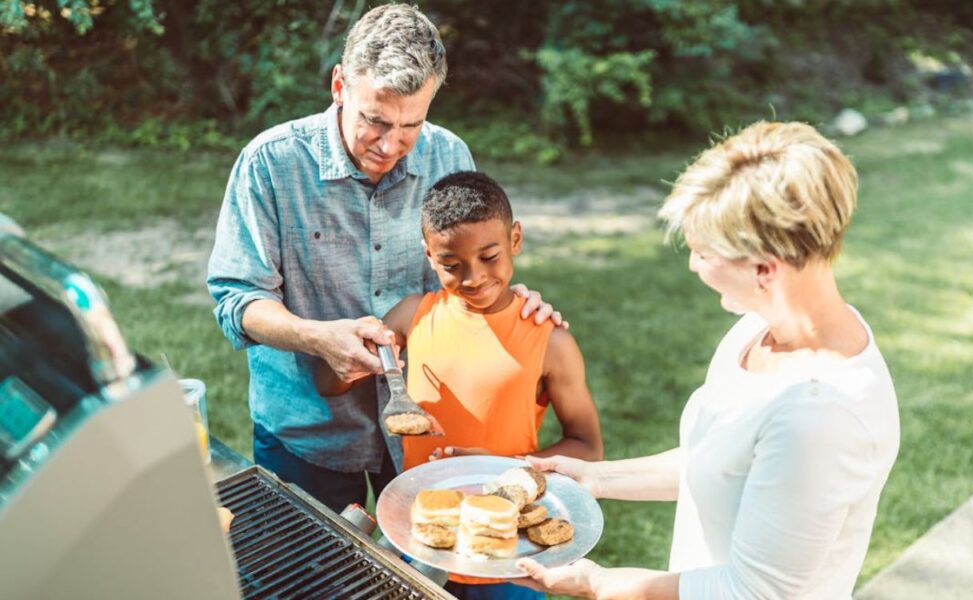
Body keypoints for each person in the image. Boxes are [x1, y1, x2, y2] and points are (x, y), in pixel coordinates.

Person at [515, 121, 900, 599]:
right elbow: (720, 464)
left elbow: (753, 593)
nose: (693, 265)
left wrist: (597, 582)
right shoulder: (758, 330)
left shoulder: (821, 417)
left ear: (765, 269)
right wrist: (596, 477)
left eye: (703, 251)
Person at [207, 4, 560, 514]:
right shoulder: (270, 163)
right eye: (375, 120)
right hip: (308, 432)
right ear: (339, 86)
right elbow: (238, 297)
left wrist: (509, 304)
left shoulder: (449, 157)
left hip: (428, 427)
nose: (391, 144)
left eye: (411, 124)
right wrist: (316, 337)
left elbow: (465, 274)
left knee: (431, 583)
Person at [317, 171, 603, 600]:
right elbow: (329, 384)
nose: (472, 277)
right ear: (428, 256)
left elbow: (587, 445)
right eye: (451, 265)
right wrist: (351, 352)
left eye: (490, 256)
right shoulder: (411, 317)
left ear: (515, 240)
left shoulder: (550, 341)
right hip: (423, 537)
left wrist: (507, 467)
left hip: (509, 551)